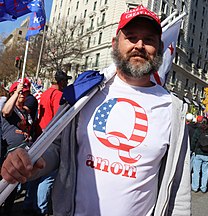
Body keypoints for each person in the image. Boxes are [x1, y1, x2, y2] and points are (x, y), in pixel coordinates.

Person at [1, 5, 191, 216]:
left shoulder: (173, 108)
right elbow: (55, 146)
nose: (139, 45)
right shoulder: (85, 92)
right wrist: (32, 160)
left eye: (149, 39)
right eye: (131, 37)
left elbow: (179, 191)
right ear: (114, 44)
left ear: (160, 47)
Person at [23, 70, 72, 216]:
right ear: (61, 82)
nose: (67, 83)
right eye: (66, 81)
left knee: (35, 173)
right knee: (48, 177)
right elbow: (60, 119)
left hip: (39, 137)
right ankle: (41, 209)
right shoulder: (58, 96)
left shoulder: (44, 94)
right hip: (50, 139)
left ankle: (28, 203)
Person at [0, 79, 33, 216]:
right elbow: (6, 111)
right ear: (14, 92)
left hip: (22, 152)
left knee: (12, 186)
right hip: (7, 153)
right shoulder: (10, 108)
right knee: (3, 183)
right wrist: (15, 93)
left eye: (25, 93)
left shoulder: (26, 110)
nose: (23, 95)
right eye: (20, 93)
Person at [191, 116, 208, 193]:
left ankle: (195, 187)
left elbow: (193, 141)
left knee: (196, 171)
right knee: (205, 172)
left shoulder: (198, 130)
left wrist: (193, 150)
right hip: (207, 154)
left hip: (198, 153)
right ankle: (203, 187)